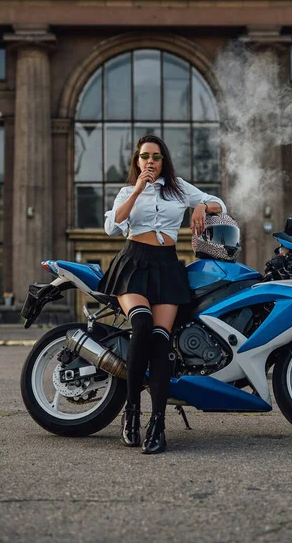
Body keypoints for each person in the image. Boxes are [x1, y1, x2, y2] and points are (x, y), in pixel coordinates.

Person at [99, 134, 226, 454]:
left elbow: (219, 203)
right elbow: (112, 227)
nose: (150, 162)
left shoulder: (179, 187)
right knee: (141, 325)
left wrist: (200, 205)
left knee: (160, 340)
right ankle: (131, 413)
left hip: (167, 266)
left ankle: (157, 423)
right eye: (145, 157)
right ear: (137, 161)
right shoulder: (128, 191)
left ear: (163, 160)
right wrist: (139, 190)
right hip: (134, 263)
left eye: (156, 157)